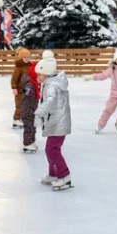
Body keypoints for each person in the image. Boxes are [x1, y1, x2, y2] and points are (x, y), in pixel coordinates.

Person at [34, 54, 73, 191]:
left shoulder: (51, 86)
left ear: (46, 73)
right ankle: (53, 174)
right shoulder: (52, 83)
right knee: (51, 149)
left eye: (39, 74)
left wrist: (39, 114)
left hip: (58, 123)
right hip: (56, 121)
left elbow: (50, 101)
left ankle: (64, 176)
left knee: (52, 150)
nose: (37, 77)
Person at [19, 61, 40, 152]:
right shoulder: (30, 84)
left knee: (33, 127)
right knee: (29, 128)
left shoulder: (34, 82)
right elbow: (27, 92)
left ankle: (32, 141)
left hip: (32, 109)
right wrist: (28, 91)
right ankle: (27, 144)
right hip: (27, 110)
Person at [11, 48, 32, 128]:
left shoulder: (29, 66)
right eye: (25, 57)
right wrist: (14, 88)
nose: (27, 59)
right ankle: (16, 119)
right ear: (21, 58)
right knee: (19, 105)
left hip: (27, 90)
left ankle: (23, 119)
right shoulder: (18, 67)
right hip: (19, 90)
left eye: (28, 57)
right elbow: (14, 79)